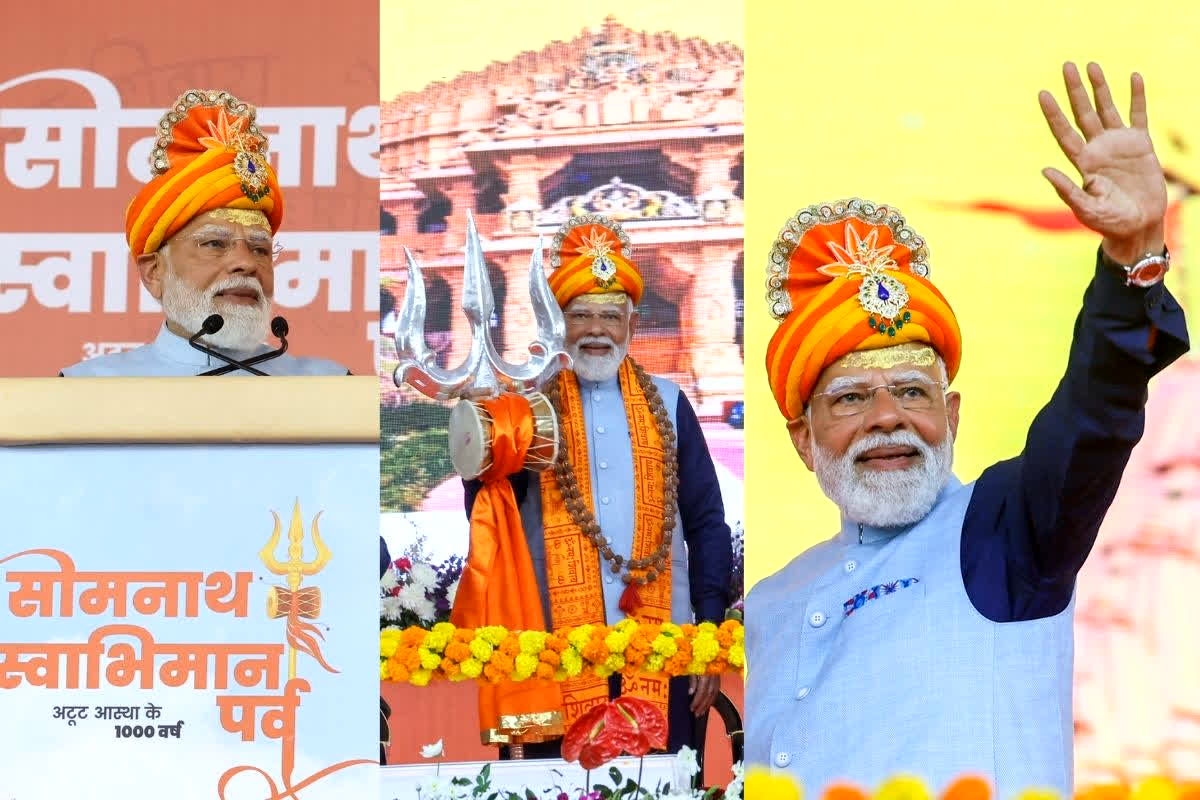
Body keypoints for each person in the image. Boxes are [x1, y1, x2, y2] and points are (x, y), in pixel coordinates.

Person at [745, 62, 1189, 794]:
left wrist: (1132, 258)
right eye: (851, 399)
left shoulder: (1007, 533)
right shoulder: (770, 601)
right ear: (803, 439)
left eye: (912, 391)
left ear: (951, 415)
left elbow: (1096, 411)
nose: (887, 417)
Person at [464, 213, 733, 756]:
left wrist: (710, 634)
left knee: (664, 786)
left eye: (610, 316)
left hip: (665, 647)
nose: (596, 330)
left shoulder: (670, 402)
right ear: (556, 322)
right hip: (548, 654)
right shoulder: (524, 410)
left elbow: (707, 524)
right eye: (580, 314)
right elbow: (488, 515)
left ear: (632, 324)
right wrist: (482, 439)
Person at [60, 89, 348, 377]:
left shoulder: (330, 386)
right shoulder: (89, 388)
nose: (247, 263)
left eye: (260, 249)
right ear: (154, 272)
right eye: (215, 243)